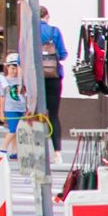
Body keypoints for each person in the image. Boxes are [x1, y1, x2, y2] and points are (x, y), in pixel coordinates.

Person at [40, 18, 69, 149]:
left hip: (35, 78)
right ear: (46, 17)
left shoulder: (28, 32)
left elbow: (20, 59)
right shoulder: (54, 31)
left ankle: (38, 149)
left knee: (35, 115)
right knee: (53, 115)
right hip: (53, 76)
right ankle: (57, 151)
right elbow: (63, 55)